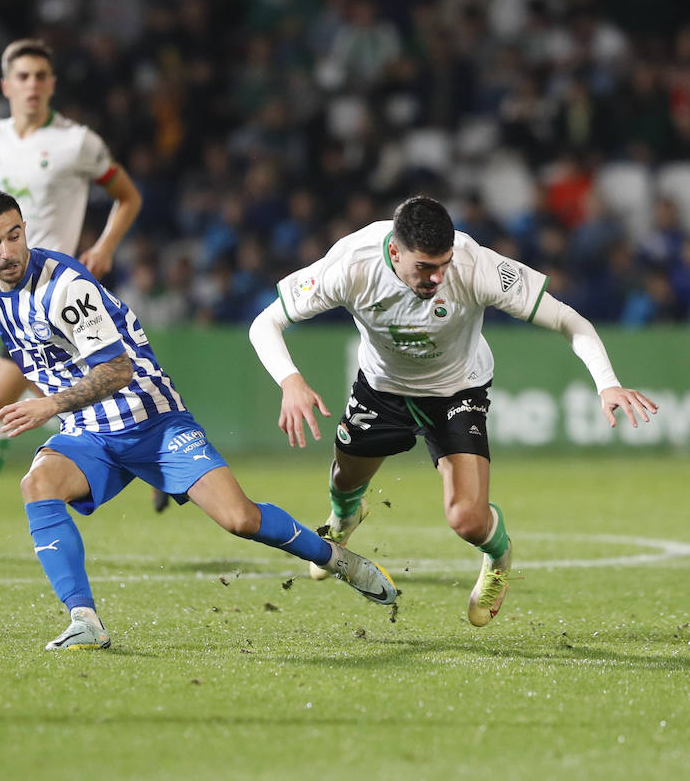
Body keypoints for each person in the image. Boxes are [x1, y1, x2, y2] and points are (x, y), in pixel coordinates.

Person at [0, 189, 396, 650]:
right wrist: (52, 404)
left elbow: (117, 369)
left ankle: (339, 560)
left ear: (25, 228)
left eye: (13, 235)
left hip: (153, 421)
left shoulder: (66, 288)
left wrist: (49, 406)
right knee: (37, 485)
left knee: (240, 519)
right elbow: (43, 362)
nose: (6, 252)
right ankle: (84, 619)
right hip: (89, 432)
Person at [247, 195, 658, 627]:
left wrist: (606, 381)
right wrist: (290, 380)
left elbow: (568, 321)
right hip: (382, 389)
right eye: (425, 267)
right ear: (394, 251)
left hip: (457, 390)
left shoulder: (475, 266)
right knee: (346, 479)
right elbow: (265, 323)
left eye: (443, 263)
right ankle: (345, 515)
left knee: (466, 519)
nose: (438, 277)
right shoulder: (351, 264)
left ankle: (498, 560)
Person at [0, 39, 143, 554]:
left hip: (58, 295)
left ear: (52, 84)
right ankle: (148, 453)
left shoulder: (77, 141)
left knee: (12, 398)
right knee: (25, 399)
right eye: (24, 76)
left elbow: (128, 195)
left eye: (42, 76)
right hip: (16, 297)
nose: (33, 85)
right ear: (6, 85)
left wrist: (102, 248)